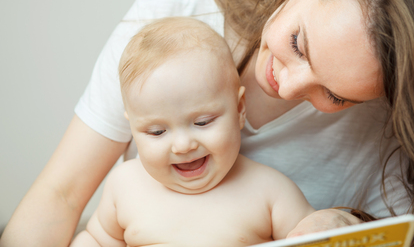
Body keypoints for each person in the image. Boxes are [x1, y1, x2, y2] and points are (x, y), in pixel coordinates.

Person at [2, 0, 414, 246]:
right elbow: (60, 197)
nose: (289, 87)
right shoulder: (164, 32)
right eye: (297, 44)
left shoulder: (390, 128)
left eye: (335, 95)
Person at [70, 17, 315, 246]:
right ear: (133, 128)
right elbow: (96, 239)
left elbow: (319, 236)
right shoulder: (124, 185)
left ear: (240, 109)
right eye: (156, 132)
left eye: (202, 122)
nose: (183, 145)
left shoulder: (270, 191)